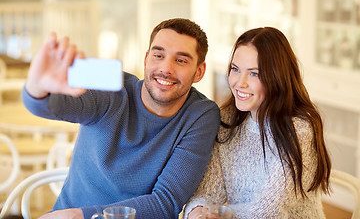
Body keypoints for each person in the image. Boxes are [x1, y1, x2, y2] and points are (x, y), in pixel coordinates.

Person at [22, 18, 220, 219]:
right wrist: (38, 86)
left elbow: (165, 203)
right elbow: (47, 106)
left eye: (181, 60)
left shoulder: (201, 114)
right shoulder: (110, 84)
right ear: (146, 59)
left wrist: (82, 215)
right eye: (158, 55)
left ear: (199, 71)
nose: (166, 68)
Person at [183, 27, 332, 218]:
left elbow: (268, 211)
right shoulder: (227, 121)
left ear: (277, 77)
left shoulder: (299, 129)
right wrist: (197, 212)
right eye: (235, 69)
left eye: (254, 73)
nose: (239, 82)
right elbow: (207, 193)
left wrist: (218, 214)